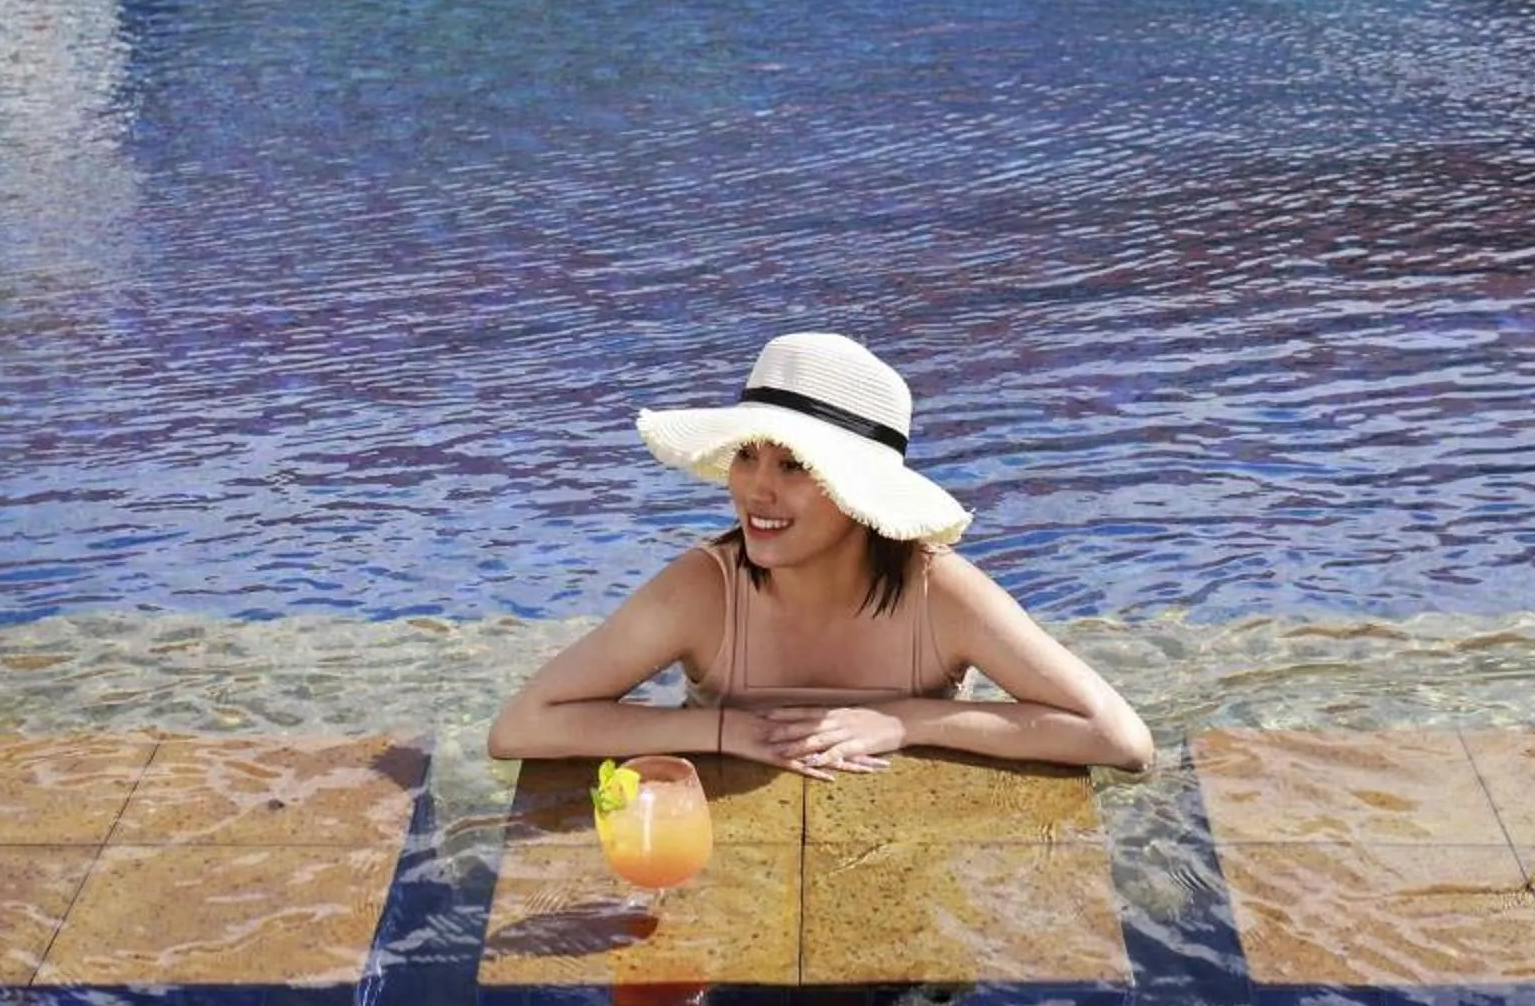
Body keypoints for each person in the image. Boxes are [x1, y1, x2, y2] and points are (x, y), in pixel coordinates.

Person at [488, 333, 1155, 777]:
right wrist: (726, 733)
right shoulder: (703, 589)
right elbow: (520, 727)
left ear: (858, 489)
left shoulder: (938, 593)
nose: (757, 487)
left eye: (793, 465)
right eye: (747, 455)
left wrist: (901, 721)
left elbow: (1120, 739)